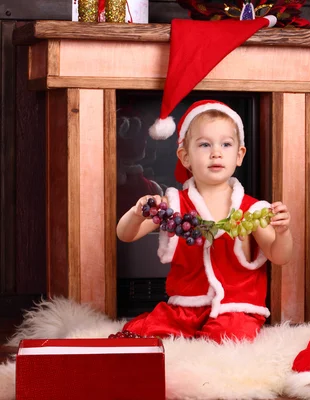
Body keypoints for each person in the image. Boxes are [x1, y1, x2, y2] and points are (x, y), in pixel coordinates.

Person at [116, 100, 293, 343]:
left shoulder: (252, 210)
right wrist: (137, 214)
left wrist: (282, 233)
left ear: (239, 155)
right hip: (185, 308)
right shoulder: (173, 204)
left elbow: (279, 256)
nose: (216, 152)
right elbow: (125, 235)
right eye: (204, 144)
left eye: (226, 144)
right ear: (185, 157)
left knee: (228, 338)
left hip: (235, 308)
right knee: (143, 333)